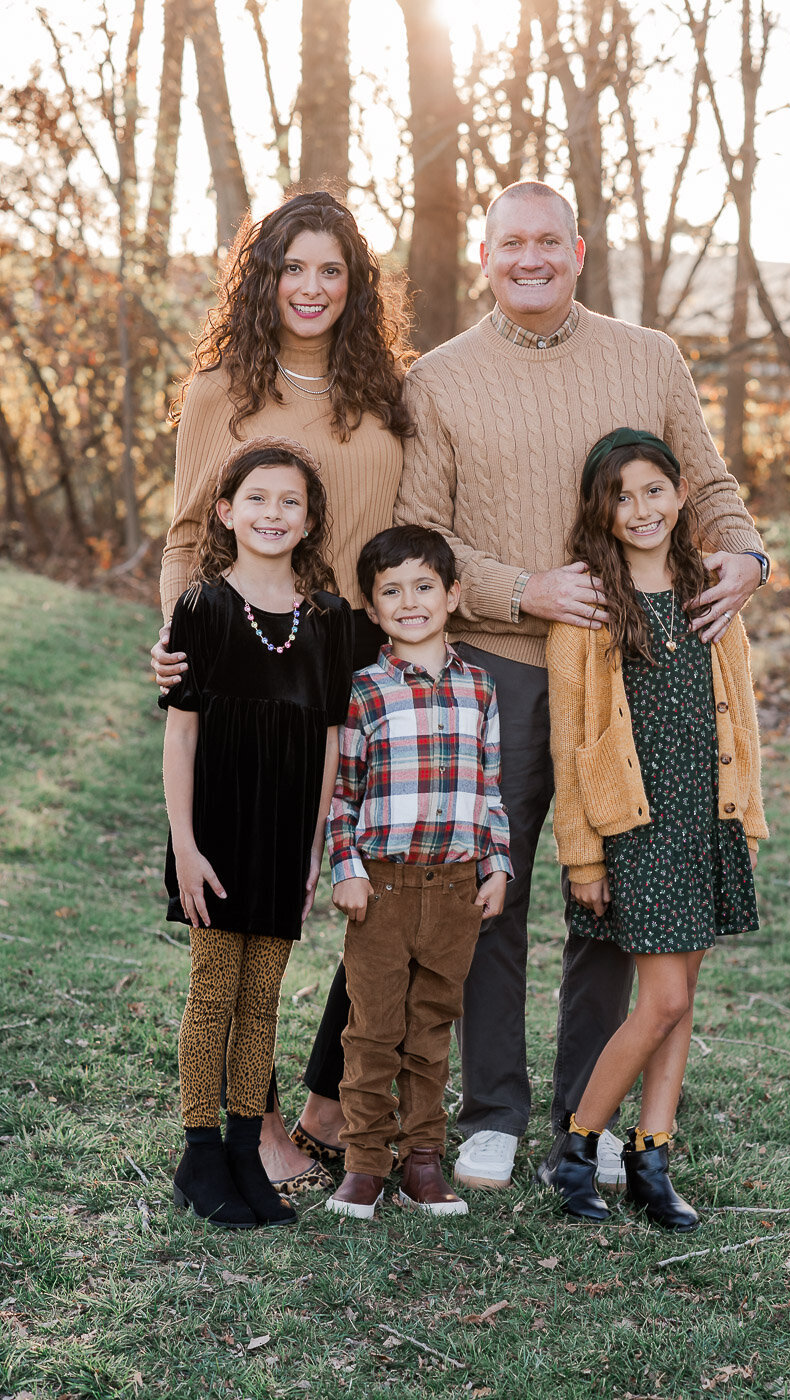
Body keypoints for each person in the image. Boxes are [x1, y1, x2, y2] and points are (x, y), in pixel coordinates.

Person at [394, 179, 771, 1192]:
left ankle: (584, 1114)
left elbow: (711, 485)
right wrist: (526, 587)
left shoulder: (647, 356)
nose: (529, 258)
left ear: (578, 248)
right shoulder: (435, 379)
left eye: (546, 242)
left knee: (615, 893)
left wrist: (746, 554)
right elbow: (417, 538)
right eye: (509, 242)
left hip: (634, 674)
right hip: (499, 665)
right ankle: (492, 1111)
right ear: (484, 255)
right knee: (494, 889)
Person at [152, 190, 412, 1192]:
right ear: (263, 279)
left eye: (329, 270)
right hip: (247, 659)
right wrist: (184, 641)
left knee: (361, 891)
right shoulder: (220, 390)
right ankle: (243, 1127)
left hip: (354, 661)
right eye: (290, 267)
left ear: (354, 285)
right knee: (242, 906)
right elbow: (185, 535)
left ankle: (322, 1102)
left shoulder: (386, 393)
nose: (309, 287)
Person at [537, 428, 767, 1228]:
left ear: (679, 495)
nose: (640, 510)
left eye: (654, 491)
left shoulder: (710, 590)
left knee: (683, 996)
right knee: (661, 999)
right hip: (635, 826)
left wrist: (741, 803)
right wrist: (582, 857)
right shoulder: (589, 612)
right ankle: (573, 1147)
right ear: (600, 511)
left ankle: (651, 1156)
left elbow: (734, 705)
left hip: (704, 815)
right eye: (621, 497)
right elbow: (570, 750)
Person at [162, 437, 353, 1229]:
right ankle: (200, 1153)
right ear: (225, 511)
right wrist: (184, 847)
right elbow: (180, 736)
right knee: (214, 992)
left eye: (290, 503)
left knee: (263, 996)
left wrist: (312, 849)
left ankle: (248, 1145)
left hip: (283, 840)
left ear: (309, 522)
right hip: (213, 834)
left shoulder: (330, 621)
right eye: (257, 499)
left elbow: (332, 744)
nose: (272, 514)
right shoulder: (202, 609)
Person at [323, 526, 511, 1219]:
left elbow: (492, 790)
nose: (409, 602)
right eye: (391, 591)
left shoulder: (482, 691)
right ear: (372, 609)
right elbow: (344, 794)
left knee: (432, 1028)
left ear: (453, 595)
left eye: (423, 587)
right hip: (383, 885)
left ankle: (423, 1163)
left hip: (458, 887)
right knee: (372, 1030)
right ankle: (365, 1164)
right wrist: (347, 869)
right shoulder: (366, 692)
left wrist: (498, 866)